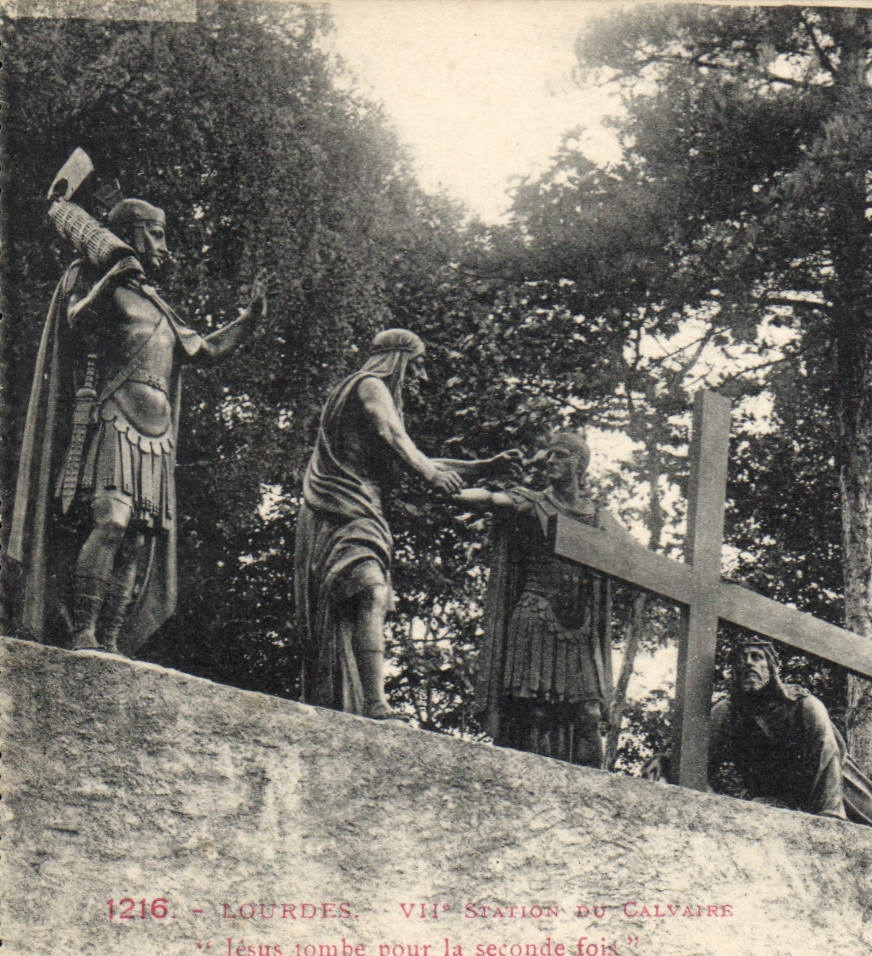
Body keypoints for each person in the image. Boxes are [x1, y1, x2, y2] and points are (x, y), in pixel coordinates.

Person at [5, 194, 266, 655]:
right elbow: (76, 319)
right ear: (135, 232)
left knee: (138, 540)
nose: (165, 247)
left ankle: (111, 637)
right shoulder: (89, 276)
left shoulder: (158, 304)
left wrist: (249, 321)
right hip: (114, 418)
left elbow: (205, 350)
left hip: (157, 436)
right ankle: (82, 630)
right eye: (158, 235)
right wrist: (110, 277)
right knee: (111, 520)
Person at [295, 330, 509, 720]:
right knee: (371, 591)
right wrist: (431, 475)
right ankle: (375, 703)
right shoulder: (369, 385)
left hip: (360, 513)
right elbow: (391, 434)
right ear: (397, 359)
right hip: (343, 510)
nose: (420, 377)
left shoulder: (366, 395)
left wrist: (480, 467)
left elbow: (409, 452)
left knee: (364, 598)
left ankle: (364, 700)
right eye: (418, 365)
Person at [456, 432, 620, 766]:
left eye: (559, 455)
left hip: (578, 630)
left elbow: (635, 557)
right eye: (548, 455)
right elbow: (490, 500)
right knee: (536, 713)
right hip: (536, 617)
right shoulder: (532, 502)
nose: (549, 461)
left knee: (589, 714)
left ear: (579, 464)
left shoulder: (599, 518)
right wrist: (447, 487)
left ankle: (595, 790)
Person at [709, 635, 872, 829]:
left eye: (757, 657)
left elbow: (827, 755)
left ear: (771, 666)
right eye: (741, 659)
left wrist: (830, 814)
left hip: (836, 785)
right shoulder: (726, 711)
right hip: (772, 796)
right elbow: (702, 762)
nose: (748, 663)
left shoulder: (803, 704)